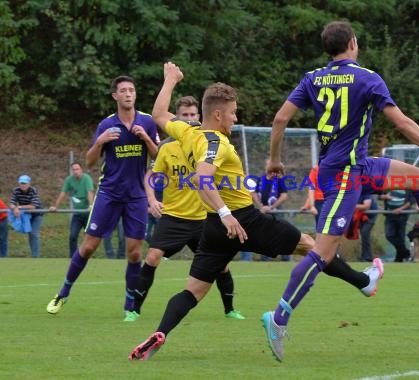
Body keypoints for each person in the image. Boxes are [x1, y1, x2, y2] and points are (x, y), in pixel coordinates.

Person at [261, 20, 419, 362]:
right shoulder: (367, 77)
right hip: (344, 176)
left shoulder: (313, 78)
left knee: (417, 179)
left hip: (356, 166)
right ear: (354, 44)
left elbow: (281, 119)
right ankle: (279, 317)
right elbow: (401, 123)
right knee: (323, 253)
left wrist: (274, 159)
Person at [128, 62, 382, 361]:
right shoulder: (215, 143)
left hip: (213, 229)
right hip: (243, 220)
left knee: (193, 292)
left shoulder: (189, 133)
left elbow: (158, 114)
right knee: (314, 246)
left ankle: (161, 333)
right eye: (234, 112)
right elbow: (200, 178)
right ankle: (364, 283)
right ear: (219, 114)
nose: (236, 118)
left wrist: (170, 79)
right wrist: (227, 213)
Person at [123, 95, 244, 322]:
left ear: (199, 116)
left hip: (203, 218)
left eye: (192, 114)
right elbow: (151, 176)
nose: (189, 119)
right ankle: (133, 310)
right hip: (174, 217)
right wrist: (152, 200)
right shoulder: (167, 147)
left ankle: (230, 309)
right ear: (177, 118)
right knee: (152, 257)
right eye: (184, 115)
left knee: (222, 265)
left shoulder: (206, 142)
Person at [46, 75, 159, 317]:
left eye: (131, 90)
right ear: (115, 96)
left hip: (137, 196)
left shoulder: (147, 122)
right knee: (88, 246)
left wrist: (147, 138)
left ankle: (130, 307)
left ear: (135, 95)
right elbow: (89, 162)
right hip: (108, 193)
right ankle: (63, 293)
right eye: (123, 91)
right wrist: (100, 142)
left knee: (135, 252)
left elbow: (158, 157)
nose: (128, 94)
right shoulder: (106, 125)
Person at [49, 162, 94, 258]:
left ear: (81, 170)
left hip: (87, 214)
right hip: (77, 214)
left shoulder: (86, 178)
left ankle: (86, 256)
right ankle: (73, 258)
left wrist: (91, 206)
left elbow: (89, 192)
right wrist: (55, 206)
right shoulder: (69, 180)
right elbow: (63, 193)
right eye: (73, 170)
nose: (75, 171)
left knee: (89, 238)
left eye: (77, 169)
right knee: (72, 236)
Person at [252, 167, 291, 261]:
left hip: (277, 211)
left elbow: (284, 196)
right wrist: (261, 206)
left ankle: (285, 258)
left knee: (281, 233)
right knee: (263, 234)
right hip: (263, 211)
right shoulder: (261, 179)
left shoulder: (279, 179)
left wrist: (271, 207)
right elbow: (254, 194)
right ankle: (264, 258)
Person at [9, 175, 43, 258]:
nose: (23, 185)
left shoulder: (33, 190)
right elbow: (11, 203)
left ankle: (36, 256)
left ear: (29, 183)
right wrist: (14, 208)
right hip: (26, 215)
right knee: (29, 233)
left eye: (24, 183)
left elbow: (33, 206)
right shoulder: (16, 190)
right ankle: (34, 255)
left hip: (36, 215)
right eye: (21, 183)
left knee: (33, 234)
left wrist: (19, 207)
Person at [379, 189, 414, 262]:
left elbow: (411, 201)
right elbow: (379, 196)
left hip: (402, 215)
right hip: (390, 214)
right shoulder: (388, 184)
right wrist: (385, 196)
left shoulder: (408, 185)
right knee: (389, 235)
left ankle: (399, 259)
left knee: (400, 237)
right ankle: (405, 252)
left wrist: (400, 209)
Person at [355, 194, 378, 262]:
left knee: (364, 233)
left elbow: (366, 206)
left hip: (369, 217)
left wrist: (352, 206)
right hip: (359, 216)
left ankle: (367, 256)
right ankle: (365, 256)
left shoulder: (366, 193)